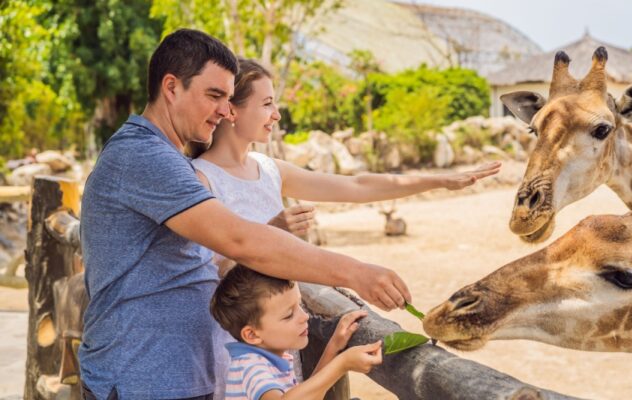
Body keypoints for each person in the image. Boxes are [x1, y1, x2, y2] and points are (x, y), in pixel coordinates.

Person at [79, 28, 410, 400]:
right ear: (171, 88)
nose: (225, 109)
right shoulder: (143, 157)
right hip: (144, 380)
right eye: (215, 95)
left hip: (175, 376)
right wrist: (356, 272)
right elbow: (239, 239)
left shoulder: (168, 158)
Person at [189, 58, 502, 271]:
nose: (277, 115)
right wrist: (271, 232)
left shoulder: (269, 169)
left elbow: (357, 186)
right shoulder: (200, 180)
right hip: (234, 349)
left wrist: (440, 181)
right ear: (231, 110)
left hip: (281, 341)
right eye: (267, 104)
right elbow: (203, 274)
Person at [211, 265, 381, 400]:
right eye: (288, 315)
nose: (304, 316)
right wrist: (342, 364)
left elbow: (307, 395)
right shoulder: (250, 366)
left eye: (299, 305)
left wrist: (334, 346)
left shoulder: (269, 358)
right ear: (252, 335)